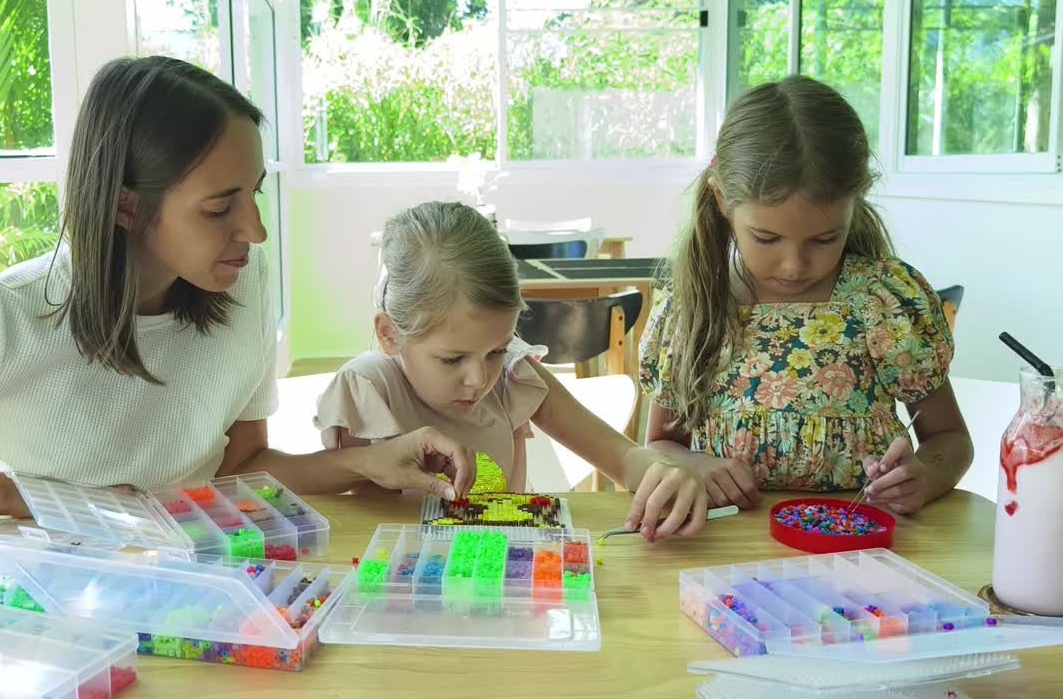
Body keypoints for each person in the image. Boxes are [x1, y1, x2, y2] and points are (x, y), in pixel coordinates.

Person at [0, 57, 476, 553]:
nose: (256, 231)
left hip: (196, 579)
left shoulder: (246, 279)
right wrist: (1, 495)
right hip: (56, 605)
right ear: (125, 204)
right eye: (219, 207)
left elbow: (239, 468)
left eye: (254, 192)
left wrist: (370, 460)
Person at [639, 75, 972, 515]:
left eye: (824, 239)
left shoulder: (881, 303)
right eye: (766, 238)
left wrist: (923, 476)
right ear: (722, 200)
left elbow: (950, 440)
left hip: (864, 550)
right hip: (729, 549)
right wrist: (694, 466)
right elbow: (661, 445)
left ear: (855, 203)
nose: (794, 265)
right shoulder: (696, 308)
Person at [316, 201, 708, 540]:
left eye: (497, 350)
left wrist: (664, 473)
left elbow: (623, 458)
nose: (479, 378)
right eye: (452, 359)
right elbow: (358, 525)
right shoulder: (367, 389)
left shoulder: (511, 373)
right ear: (389, 334)